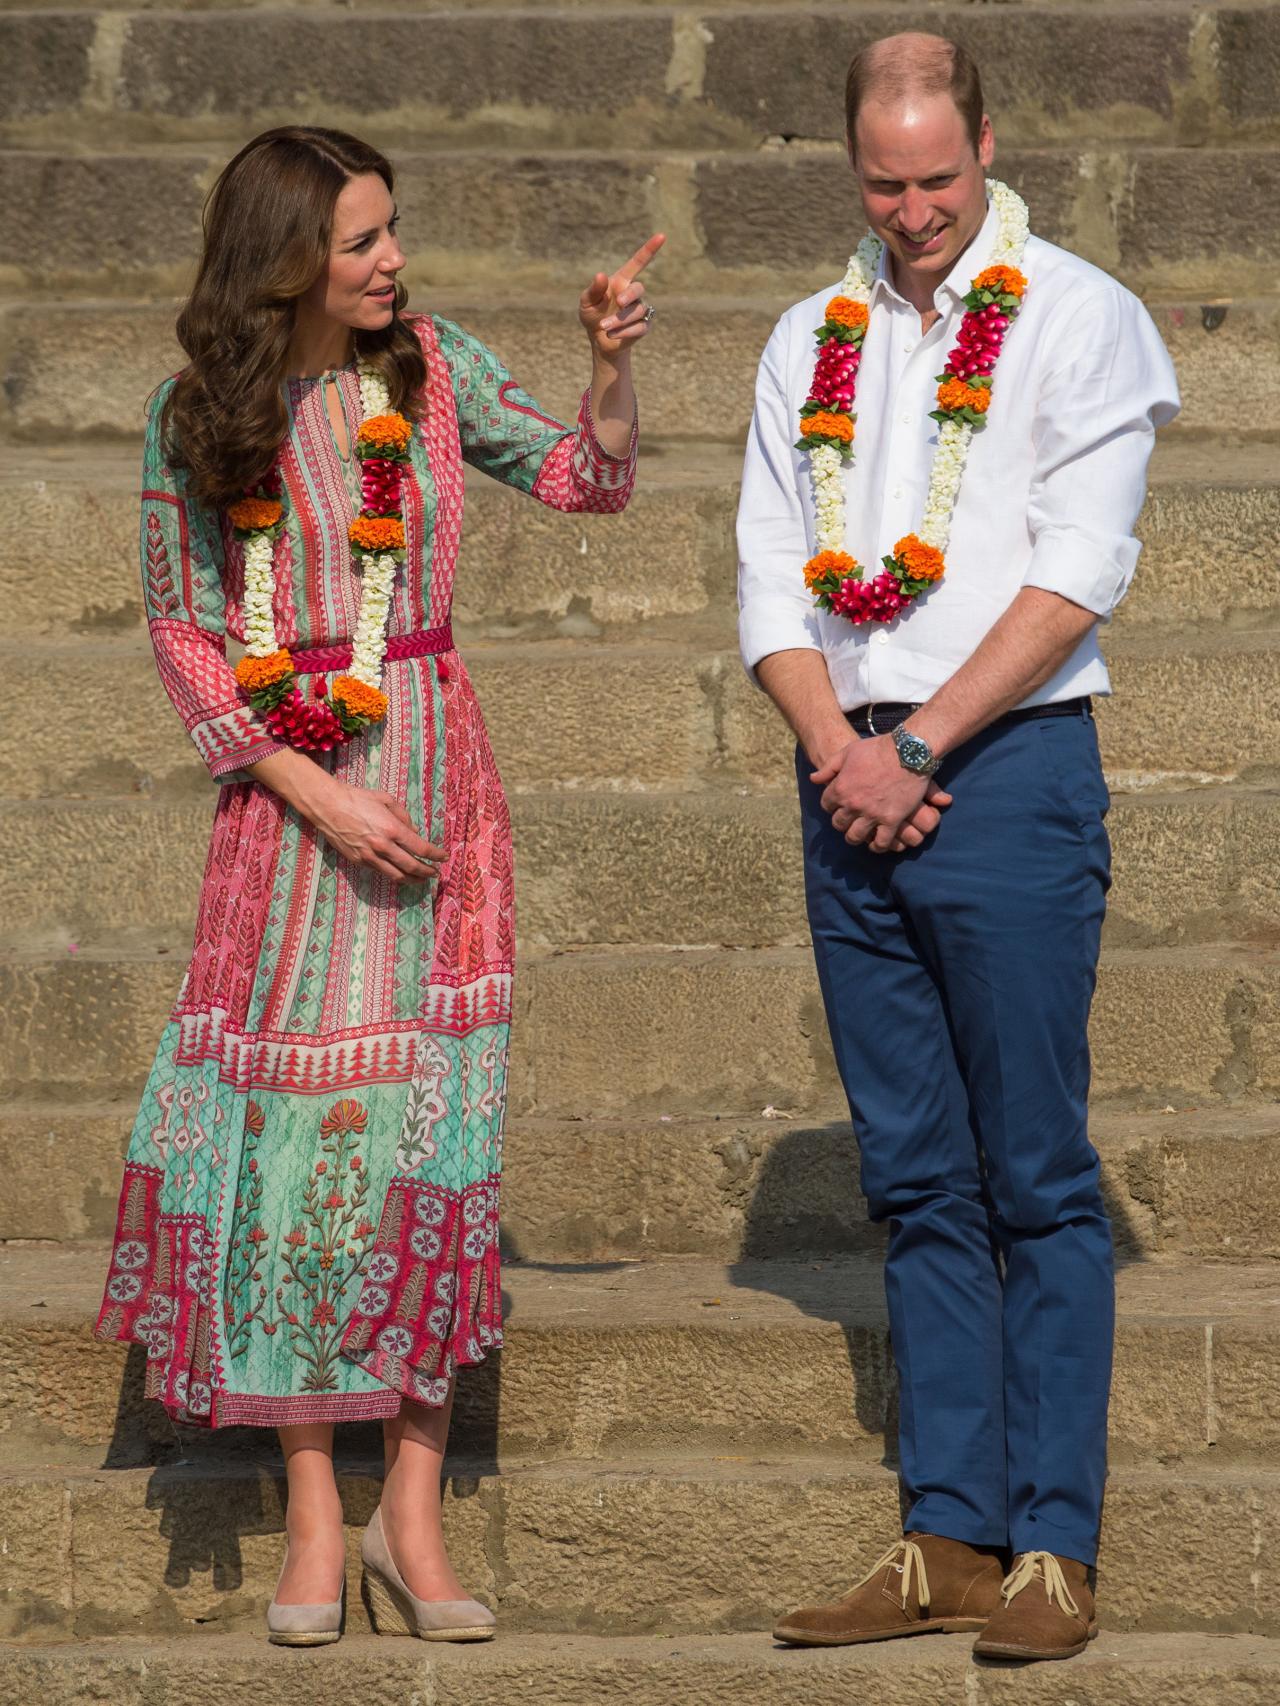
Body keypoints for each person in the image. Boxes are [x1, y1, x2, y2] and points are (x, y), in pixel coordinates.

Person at [94, 124, 661, 1646]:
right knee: (290, 1138)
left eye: (392, 230)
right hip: (293, 795)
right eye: (359, 241)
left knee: (432, 1117)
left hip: (442, 770)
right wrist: (317, 791)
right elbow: (186, 635)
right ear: (282, 256)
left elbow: (589, 481)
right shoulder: (196, 419)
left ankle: (413, 1510)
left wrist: (609, 366)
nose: (391, 258)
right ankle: (313, 1508)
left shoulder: (431, 365)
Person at [737, 34, 1177, 1664]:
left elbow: (1080, 569)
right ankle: (947, 1531)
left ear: (987, 143)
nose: (915, 209)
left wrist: (919, 746)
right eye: (885, 181)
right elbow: (770, 573)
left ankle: (1053, 1543)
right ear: (852, 163)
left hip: (1004, 764)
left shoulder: (1077, 312)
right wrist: (843, 747)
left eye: (939, 178)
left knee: (1036, 1169)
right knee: (916, 1173)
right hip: (840, 763)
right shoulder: (810, 334)